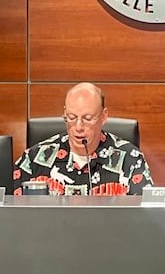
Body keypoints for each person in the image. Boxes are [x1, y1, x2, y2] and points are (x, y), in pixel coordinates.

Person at [12, 82, 153, 195]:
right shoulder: (33, 159)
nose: (78, 127)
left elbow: (145, 216)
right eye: (71, 118)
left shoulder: (130, 160)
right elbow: (9, 213)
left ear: (103, 116)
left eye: (87, 119)